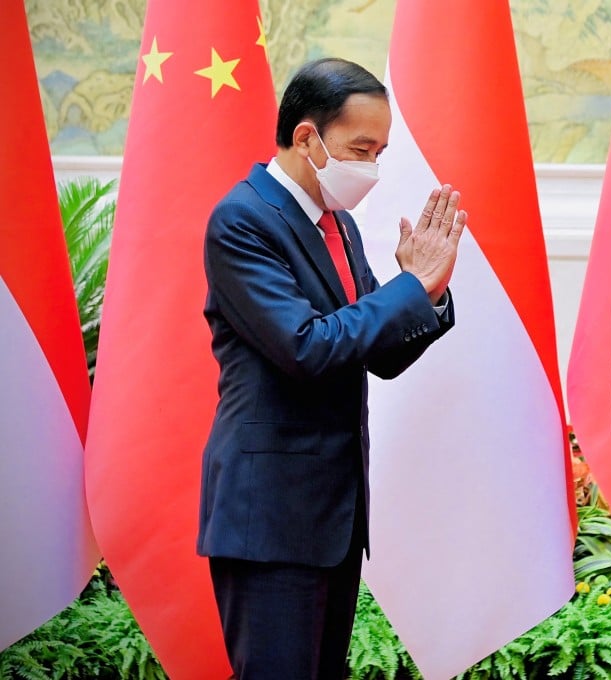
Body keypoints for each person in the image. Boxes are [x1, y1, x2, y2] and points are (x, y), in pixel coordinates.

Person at [196, 57, 465, 679]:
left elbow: (382, 354)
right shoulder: (242, 220)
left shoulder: (336, 222)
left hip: (332, 516)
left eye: (380, 151)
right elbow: (307, 347)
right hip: (270, 519)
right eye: (360, 148)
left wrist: (428, 293)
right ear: (307, 136)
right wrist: (408, 288)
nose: (370, 167)